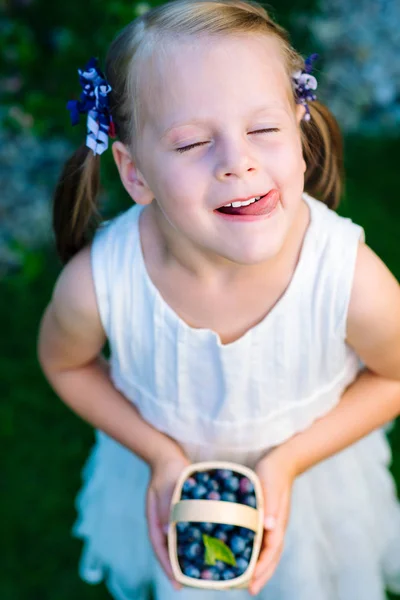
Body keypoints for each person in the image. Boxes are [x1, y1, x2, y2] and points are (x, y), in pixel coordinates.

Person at [37, 0, 400, 598]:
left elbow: (392, 374)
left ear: (299, 127)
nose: (238, 161)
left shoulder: (346, 277)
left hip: (309, 488)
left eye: (263, 129)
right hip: (166, 486)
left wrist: (286, 463)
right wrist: (159, 455)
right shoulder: (99, 284)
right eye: (191, 143)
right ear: (135, 173)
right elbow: (65, 362)